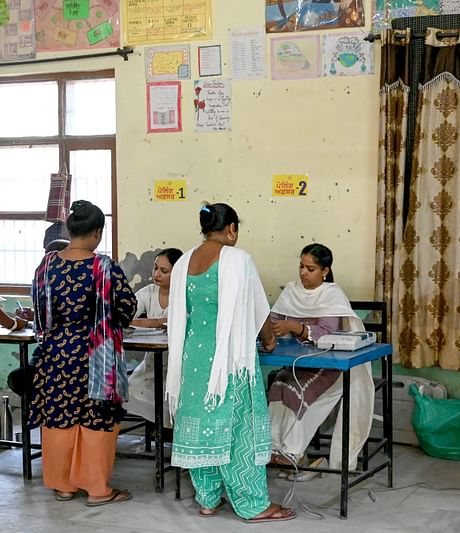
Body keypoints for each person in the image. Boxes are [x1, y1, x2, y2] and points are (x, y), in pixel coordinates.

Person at [165, 203, 295, 522]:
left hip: (192, 356)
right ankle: (252, 503)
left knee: (202, 426)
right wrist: (268, 339)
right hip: (229, 359)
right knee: (239, 429)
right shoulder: (238, 260)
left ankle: (208, 498)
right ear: (232, 229)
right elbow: (257, 309)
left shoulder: (184, 262)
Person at [29, 200, 137, 505]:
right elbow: (127, 307)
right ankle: (97, 489)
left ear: (69, 229)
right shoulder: (103, 267)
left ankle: (62, 484)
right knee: (97, 418)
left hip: (56, 353)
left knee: (59, 415)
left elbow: (38, 308)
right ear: (97, 233)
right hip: (96, 355)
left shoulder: (46, 265)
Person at [268, 243, 374, 479]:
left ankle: (293, 452)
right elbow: (273, 319)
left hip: (330, 369)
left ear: (324, 271)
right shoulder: (291, 292)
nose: (303, 273)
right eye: (301, 267)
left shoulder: (332, 294)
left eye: (310, 268)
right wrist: (269, 325)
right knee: (279, 385)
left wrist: (294, 326)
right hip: (300, 364)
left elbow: (326, 333)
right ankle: (274, 446)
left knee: (298, 389)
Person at [124, 248, 183, 426]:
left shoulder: (184, 295)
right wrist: (155, 321)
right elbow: (128, 313)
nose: (157, 274)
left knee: (173, 400)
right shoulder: (148, 292)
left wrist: (153, 322)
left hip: (176, 367)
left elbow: (169, 323)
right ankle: (156, 434)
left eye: (164, 271)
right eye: (155, 268)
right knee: (130, 389)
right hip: (150, 365)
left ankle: (169, 435)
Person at [7, 238, 70, 396]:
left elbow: (59, 320)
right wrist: (33, 317)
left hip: (59, 359)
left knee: (19, 379)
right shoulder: (44, 284)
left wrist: (18, 323)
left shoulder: (61, 285)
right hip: (53, 356)